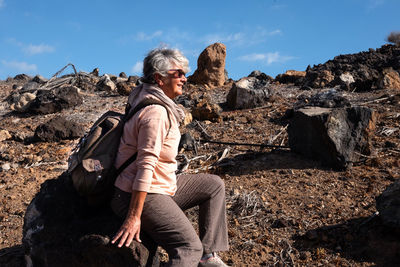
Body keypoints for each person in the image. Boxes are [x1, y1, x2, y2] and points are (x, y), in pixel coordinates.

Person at [110, 48, 230, 267]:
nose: (185, 78)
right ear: (159, 78)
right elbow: (145, 166)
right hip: (138, 194)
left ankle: (207, 256)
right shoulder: (156, 112)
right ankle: (197, 254)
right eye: (178, 73)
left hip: (161, 186)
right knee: (188, 248)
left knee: (213, 185)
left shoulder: (145, 95)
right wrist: (134, 216)